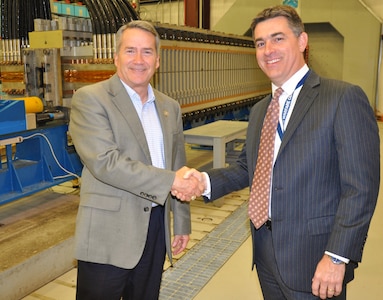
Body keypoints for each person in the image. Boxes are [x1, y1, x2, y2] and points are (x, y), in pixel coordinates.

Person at [174, 5, 380, 300]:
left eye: (278, 38)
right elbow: (248, 168)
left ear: (302, 41)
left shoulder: (342, 98)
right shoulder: (261, 110)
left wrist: (337, 257)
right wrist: (202, 182)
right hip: (266, 254)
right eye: (260, 43)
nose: (268, 49)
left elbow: (361, 189)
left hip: (316, 259)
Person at [69, 20, 203, 300]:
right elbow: (106, 162)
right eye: (130, 51)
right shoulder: (91, 99)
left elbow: (178, 164)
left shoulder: (170, 106)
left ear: (157, 61)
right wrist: (172, 181)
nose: (139, 60)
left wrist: (181, 223)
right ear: (116, 56)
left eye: (147, 52)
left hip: (155, 229)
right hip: (108, 232)